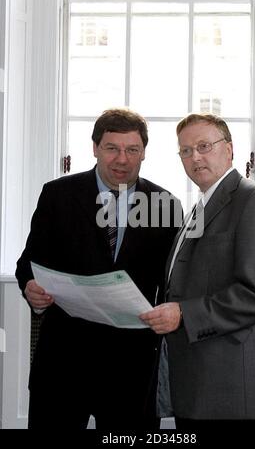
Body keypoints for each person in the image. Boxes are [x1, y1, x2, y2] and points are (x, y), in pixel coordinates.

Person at [15, 108, 181, 429]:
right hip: (63, 361)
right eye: (112, 148)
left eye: (132, 149)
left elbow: (173, 281)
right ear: (94, 148)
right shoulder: (57, 195)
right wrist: (30, 287)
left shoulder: (166, 203)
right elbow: (29, 262)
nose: (122, 159)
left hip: (132, 367)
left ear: (144, 152)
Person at [141, 113, 255, 430]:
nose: (195, 156)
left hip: (234, 394)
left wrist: (183, 314)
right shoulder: (197, 208)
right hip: (194, 388)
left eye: (204, 146)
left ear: (230, 149)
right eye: (185, 150)